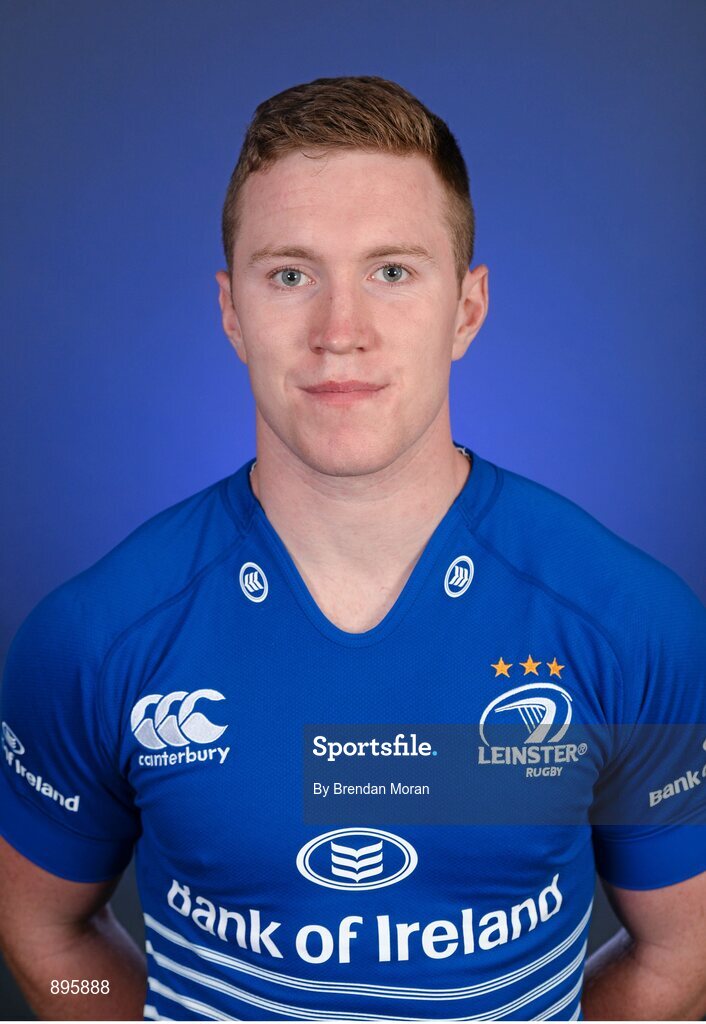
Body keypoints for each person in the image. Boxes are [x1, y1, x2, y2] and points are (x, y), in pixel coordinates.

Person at [0, 75, 705, 1023]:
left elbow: (682, 946)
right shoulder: (94, 637)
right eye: (291, 274)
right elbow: (46, 935)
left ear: (467, 308)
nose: (341, 334)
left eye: (393, 271)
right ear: (231, 311)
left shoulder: (631, 626)